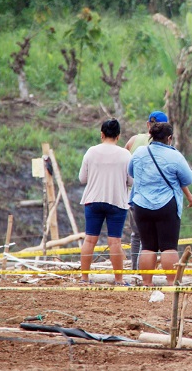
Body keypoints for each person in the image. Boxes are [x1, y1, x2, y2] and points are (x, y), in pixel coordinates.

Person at [125, 110, 192, 270]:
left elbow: (131, 171)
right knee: (168, 247)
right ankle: (170, 283)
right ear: (169, 138)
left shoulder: (139, 152)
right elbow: (188, 179)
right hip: (167, 205)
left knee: (148, 247)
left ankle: (146, 282)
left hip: (141, 205)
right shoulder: (175, 155)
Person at [79, 118, 133, 285]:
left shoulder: (91, 152)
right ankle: (118, 279)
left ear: (101, 134)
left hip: (93, 200)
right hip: (117, 201)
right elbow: (131, 182)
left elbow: (82, 178)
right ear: (118, 136)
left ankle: (84, 278)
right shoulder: (125, 154)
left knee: (89, 239)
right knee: (115, 241)